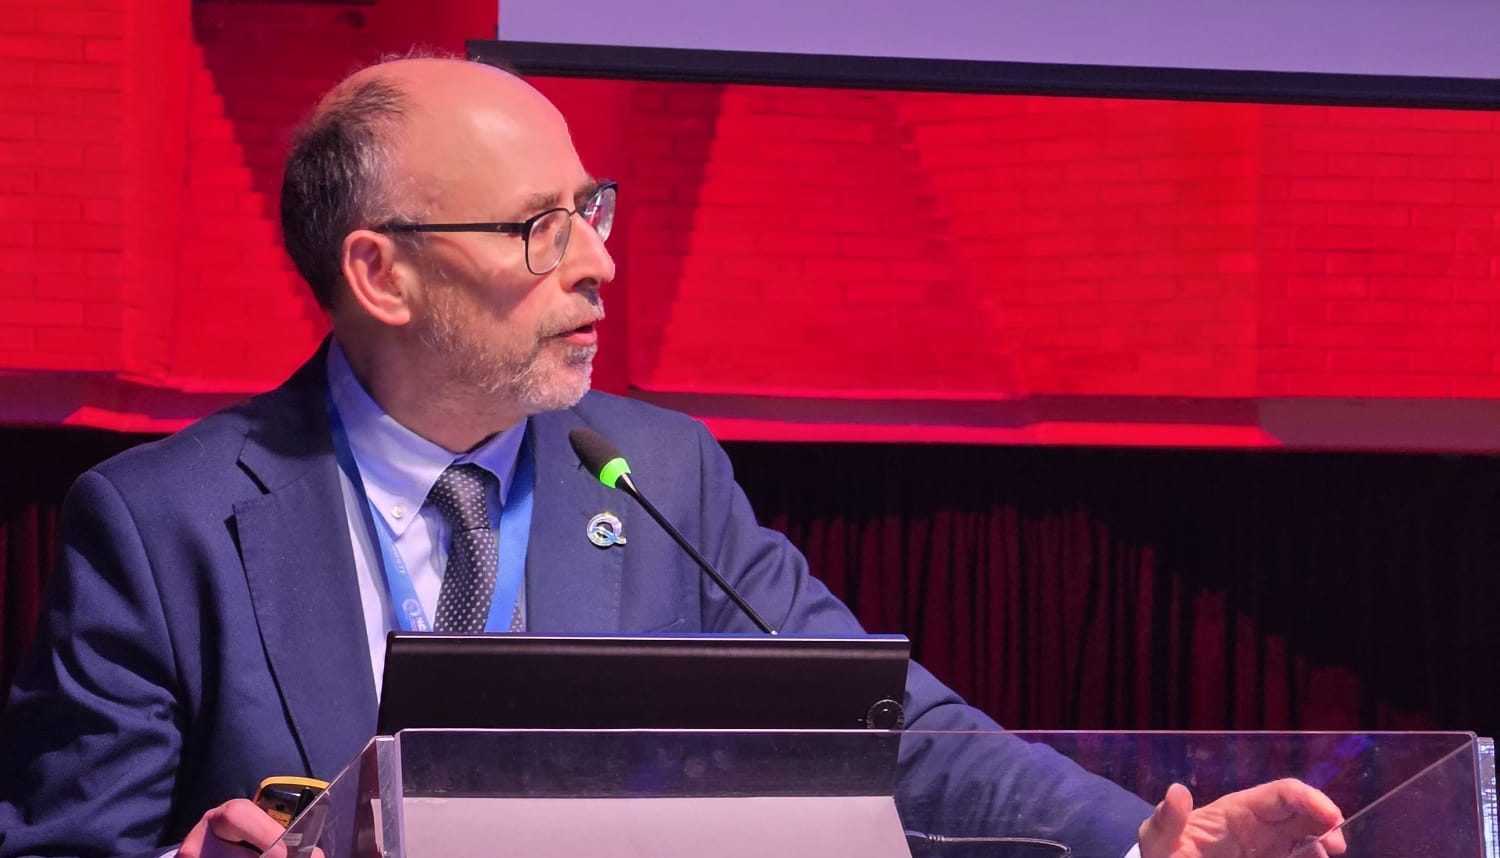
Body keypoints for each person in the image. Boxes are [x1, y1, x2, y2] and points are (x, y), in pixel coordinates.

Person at [0, 57, 1343, 858]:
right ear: (382, 273)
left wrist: (1139, 838)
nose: (600, 260)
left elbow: (882, 727)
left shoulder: (659, 474)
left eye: (591, 207)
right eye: (541, 226)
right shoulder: (165, 526)